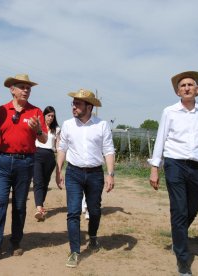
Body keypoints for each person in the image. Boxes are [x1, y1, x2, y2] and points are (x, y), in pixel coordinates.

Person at [149, 71, 198, 276]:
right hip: (175, 164)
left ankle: (178, 235)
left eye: (191, 85)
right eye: (183, 85)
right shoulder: (169, 112)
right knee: (179, 210)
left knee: (193, 207)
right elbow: (161, 139)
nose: (187, 88)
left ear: (197, 89)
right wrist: (155, 168)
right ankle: (183, 261)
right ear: (177, 91)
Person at [0, 74, 48, 261]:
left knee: (19, 205)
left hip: (25, 163)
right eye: (22, 87)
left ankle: (16, 241)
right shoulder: (1, 110)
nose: (26, 90)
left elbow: (44, 139)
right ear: (12, 89)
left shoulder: (36, 112)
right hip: (2, 162)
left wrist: (38, 130)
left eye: (28, 88)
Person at [56, 89, 115, 268]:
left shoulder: (101, 125)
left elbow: (109, 150)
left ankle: (93, 236)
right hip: (73, 172)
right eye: (73, 103)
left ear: (89, 107)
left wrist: (110, 174)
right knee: (73, 212)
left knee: (95, 210)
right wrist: (58, 169)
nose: (74, 106)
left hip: (95, 173)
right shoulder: (67, 125)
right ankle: (75, 250)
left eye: (78, 104)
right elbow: (62, 148)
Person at [33, 106, 60, 222]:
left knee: (45, 183)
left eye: (52, 116)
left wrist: (60, 162)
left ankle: (41, 204)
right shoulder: (38, 127)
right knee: (38, 181)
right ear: (44, 115)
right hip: (37, 154)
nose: (50, 118)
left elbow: (58, 147)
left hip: (50, 156)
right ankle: (39, 209)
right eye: (48, 115)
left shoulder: (57, 129)